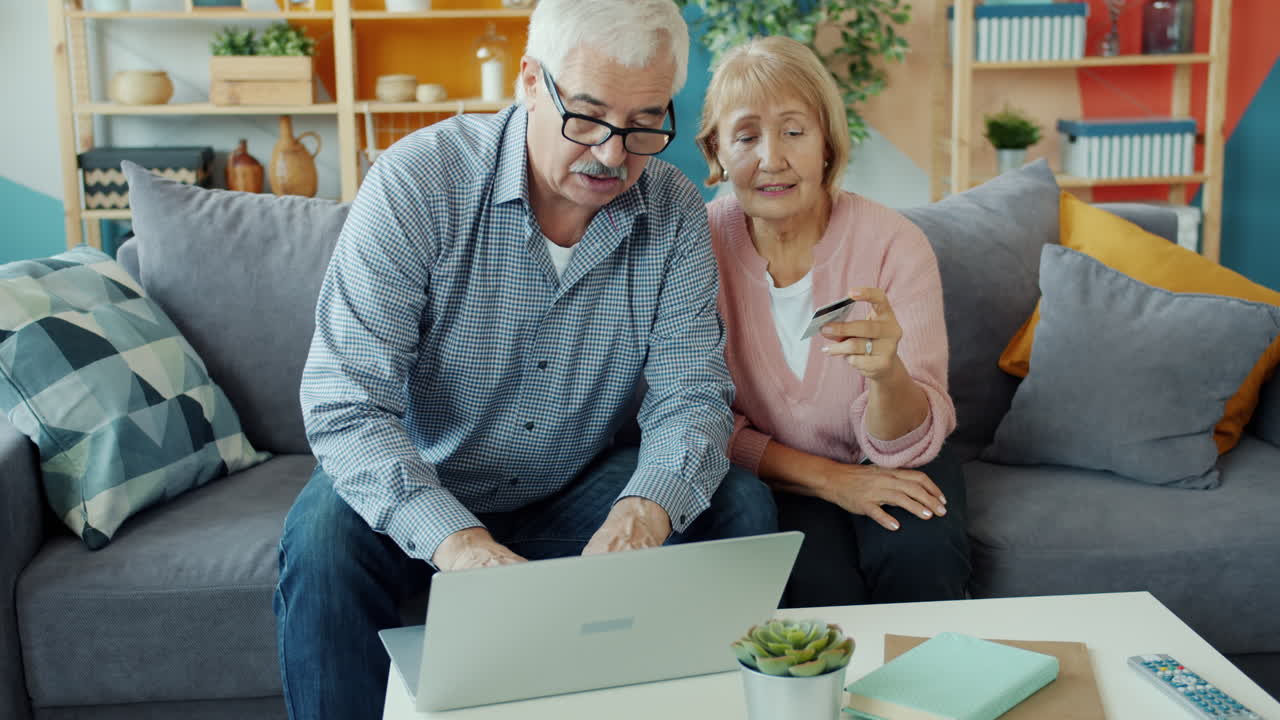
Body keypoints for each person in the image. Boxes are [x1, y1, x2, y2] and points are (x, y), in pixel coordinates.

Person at [275, 2, 777, 717]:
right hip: (428, 483)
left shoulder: (673, 210)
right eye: (590, 116)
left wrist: (644, 509)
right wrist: (457, 542)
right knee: (323, 536)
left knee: (738, 505)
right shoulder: (417, 183)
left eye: (643, 125)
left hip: (574, 489)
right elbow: (345, 404)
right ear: (530, 82)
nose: (613, 155)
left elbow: (690, 392)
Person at [695, 36, 970, 608]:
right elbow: (690, 414)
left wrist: (887, 375)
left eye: (794, 131)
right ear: (716, 151)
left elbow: (913, 438)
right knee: (821, 594)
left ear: (827, 144)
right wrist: (832, 481)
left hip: (898, 455)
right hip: (783, 474)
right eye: (746, 136)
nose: (772, 158)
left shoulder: (896, 244)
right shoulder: (695, 247)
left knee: (919, 557)